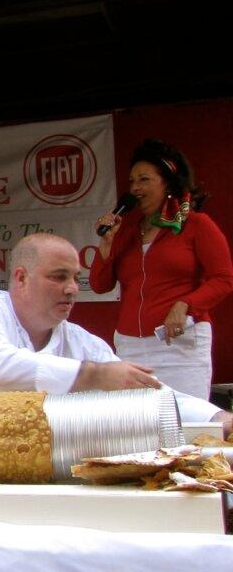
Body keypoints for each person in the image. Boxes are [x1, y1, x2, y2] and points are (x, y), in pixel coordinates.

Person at [0, 233, 230, 428]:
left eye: (75, 278)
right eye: (58, 277)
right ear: (21, 278)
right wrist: (93, 376)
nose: (71, 289)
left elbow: (147, 391)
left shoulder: (80, 341)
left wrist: (217, 419)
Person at [91, 139, 233, 400]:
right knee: (136, 423)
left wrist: (186, 304)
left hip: (178, 343)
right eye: (132, 181)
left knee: (184, 420)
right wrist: (106, 243)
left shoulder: (196, 225)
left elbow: (223, 278)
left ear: (167, 181)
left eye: (144, 179)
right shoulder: (128, 231)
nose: (135, 187)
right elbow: (100, 285)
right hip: (130, 344)